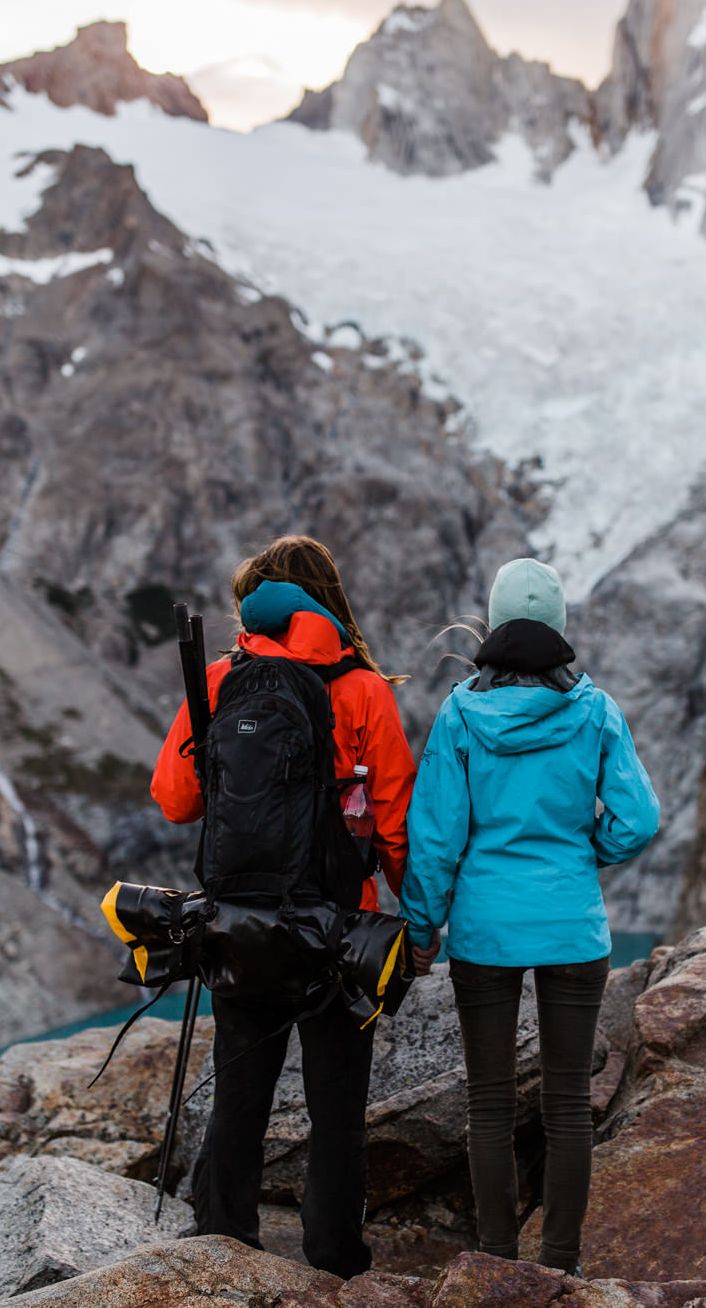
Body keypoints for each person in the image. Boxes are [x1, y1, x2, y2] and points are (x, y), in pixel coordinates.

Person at [150, 534, 415, 1278]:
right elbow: (394, 819)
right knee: (337, 1107)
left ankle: (223, 1242)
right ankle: (334, 1260)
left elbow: (175, 800)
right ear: (327, 601)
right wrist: (413, 925)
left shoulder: (220, 680)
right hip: (336, 929)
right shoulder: (361, 688)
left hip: (238, 924)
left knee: (241, 1088)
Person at [400, 557, 659, 1275]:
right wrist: (585, 853)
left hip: (484, 932)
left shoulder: (461, 713)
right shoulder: (596, 710)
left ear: (496, 619)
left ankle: (495, 1261)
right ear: (559, 626)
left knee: (488, 1104)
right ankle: (560, 1266)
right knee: (569, 1101)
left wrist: (422, 930)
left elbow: (435, 839)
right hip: (574, 926)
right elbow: (638, 819)